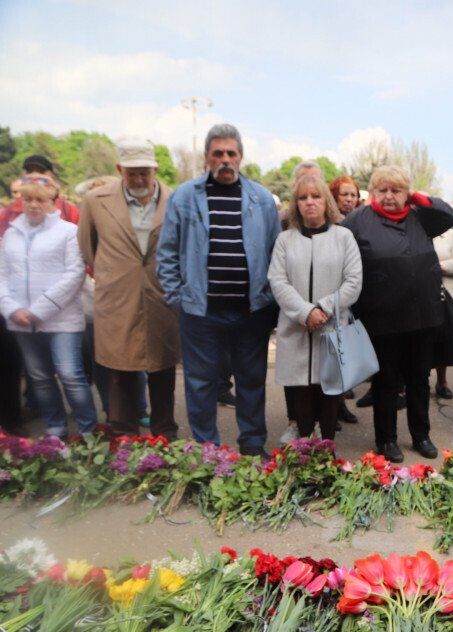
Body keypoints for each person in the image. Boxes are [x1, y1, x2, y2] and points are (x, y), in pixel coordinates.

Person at [157, 123, 280, 456]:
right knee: (200, 382)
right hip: (201, 312)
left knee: (252, 381)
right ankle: (206, 449)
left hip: (251, 311)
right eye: (218, 153)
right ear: (206, 157)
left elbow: (275, 253)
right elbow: (167, 251)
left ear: (241, 157)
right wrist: (177, 297)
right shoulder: (184, 197)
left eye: (231, 153)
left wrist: (270, 300)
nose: (225, 159)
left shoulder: (262, 199)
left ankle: (253, 444)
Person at [343, 165, 453, 462]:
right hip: (381, 317)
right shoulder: (358, 220)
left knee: (419, 379)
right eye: (383, 190)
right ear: (373, 193)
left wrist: (417, 197)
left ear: (407, 194)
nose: (389, 196)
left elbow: (447, 215)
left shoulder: (419, 217)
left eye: (397, 190)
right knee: (386, 382)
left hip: (422, 316)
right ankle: (387, 439)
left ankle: (421, 435)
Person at [77, 138, 179, 439]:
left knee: (162, 370)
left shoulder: (175, 199)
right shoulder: (96, 201)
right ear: (119, 168)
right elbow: (88, 247)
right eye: (131, 172)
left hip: (161, 298)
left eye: (144, 172)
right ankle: (123, 435)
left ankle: (164, 434)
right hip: (117, 298)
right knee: (118, 370)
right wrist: (116, 275)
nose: (138, 179)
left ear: (155, 169)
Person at [268, 174, 362, 441]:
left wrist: (323, 308)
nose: (310, 202)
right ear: (295, 204)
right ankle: (305, 457)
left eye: (316, 196)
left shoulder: (344, 237)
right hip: (296, 329)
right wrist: (305, 312)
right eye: (302, 197)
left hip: (331, 329)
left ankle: (327, 454)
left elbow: (353, 282)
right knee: (301, 395)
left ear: (326, 201)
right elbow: (277, 280)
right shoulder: (285, 240)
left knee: (330, 396)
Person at [0, 179, 96, 437]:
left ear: (52, 203)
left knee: (70, 374)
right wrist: (11, 309)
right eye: (28, 199)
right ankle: (56, 426)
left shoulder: (67, 232)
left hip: (61, 318)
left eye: (40, 199)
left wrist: (39, 310)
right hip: (21, 320)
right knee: (39, 376)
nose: (33, 205)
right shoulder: (10, 234)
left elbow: (75, 274)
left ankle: (88, 430)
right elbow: (2, 275)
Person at [432, 220, 453, 399]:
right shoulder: (417, 234)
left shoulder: (449, 234)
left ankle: (442, 382)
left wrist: (439, 267)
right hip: (421, 294)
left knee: (444, 338)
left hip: (446, 294)